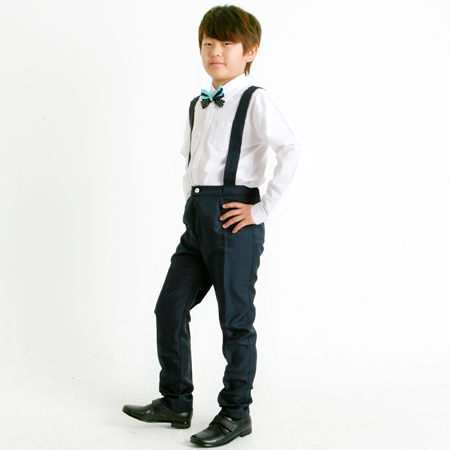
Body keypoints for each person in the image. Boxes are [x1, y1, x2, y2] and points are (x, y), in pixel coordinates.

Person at [122, 4, 311, 447]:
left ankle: (236, 413)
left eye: (227, 43)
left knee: (235, 321)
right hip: (198, 217)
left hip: (234, 217)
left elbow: (294, 150)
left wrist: (260, 210)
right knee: (169, 307)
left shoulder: (255, 99)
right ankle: (176, 401)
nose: (216, 52)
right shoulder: (198, 105)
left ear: (250, 51)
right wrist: (193, 205)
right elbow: (191, 161)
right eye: (208, 43)